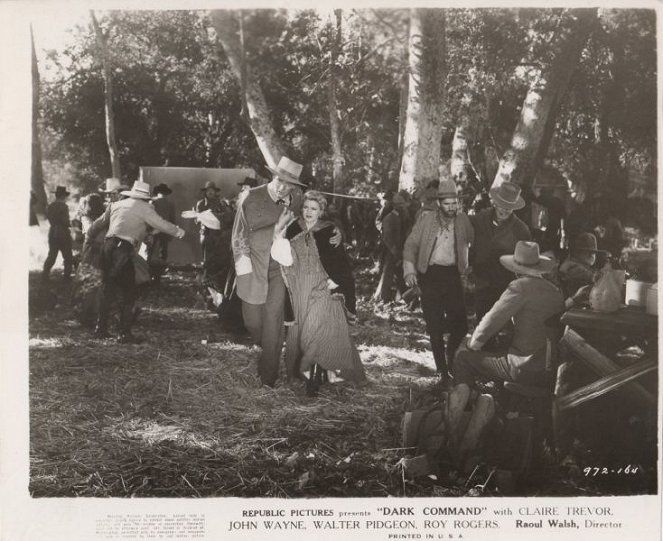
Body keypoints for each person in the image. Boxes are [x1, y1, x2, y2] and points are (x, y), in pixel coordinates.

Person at [231, 156, 340, 387]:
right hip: (252, 266)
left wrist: (337, 232)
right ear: (273, 176)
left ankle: (268, 377)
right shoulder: (252, 197)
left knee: (273, 319)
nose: (282, 186)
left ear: (294, 186)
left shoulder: (297, 200)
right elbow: (238, 236)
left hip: (281, 267)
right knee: (253, 322)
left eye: (288, 183)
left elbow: (314, 219)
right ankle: (267, 345)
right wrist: (244, 270)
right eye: (280, 180)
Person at [271, 191, 365, 395]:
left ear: (321, 211)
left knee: (314, 331)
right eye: (306, 207)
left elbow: (340, 262)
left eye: (314, 209)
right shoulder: (294, 227)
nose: (308, 212)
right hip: (298, 288)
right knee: (301, 332)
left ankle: (310, 374)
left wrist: (335, 281)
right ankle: (307, 373)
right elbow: (283, 254)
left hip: (322, 286)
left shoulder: (329, 230)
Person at [453, 241, 565, 388]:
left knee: (463, 357)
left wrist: (472, 344)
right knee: (501, 352)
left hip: (524, 366)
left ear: (516, 269)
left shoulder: (519, 286)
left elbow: (491, 321)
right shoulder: (555, 291)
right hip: (550, 369)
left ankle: (464, 406)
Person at [86, 181, 185, 343]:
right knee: (129, 290)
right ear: (145, 197)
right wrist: (179, 231)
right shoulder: (146, 208)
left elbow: (98, 224)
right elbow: (161, 224)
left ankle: (100, 329)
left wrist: (89, 236)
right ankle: (124, 333)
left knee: (107, 288)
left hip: (108, 247)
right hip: (123, 250)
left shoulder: (117, 205)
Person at [402, 179, 474, 381]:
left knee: (461, 326)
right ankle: (442, 371)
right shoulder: (426, 220)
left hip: (452, 275)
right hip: (429, 276)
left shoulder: (463, 221)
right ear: (439, 203)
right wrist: (409, 271)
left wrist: (467, 267)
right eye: (447, 204)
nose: (451, 208)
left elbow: (472, 241)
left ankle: (450, 358)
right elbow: (410, 245)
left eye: (454, 204)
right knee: (434, 327)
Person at [470, 181, 532, 324]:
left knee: (501, 321)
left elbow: (526, 261)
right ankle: (485, 345)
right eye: (501, 206)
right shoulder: (481, 218)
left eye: (509, 208)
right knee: (482, 318)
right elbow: (464, 227)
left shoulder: (521, 230)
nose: (504, 211)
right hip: (482, 280)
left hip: (505, 282)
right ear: (495, 203)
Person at [196, 181, 234, 290]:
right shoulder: (201, 203)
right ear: (205, 192)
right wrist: (200, 218)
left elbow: (227, 217)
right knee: (207, 257)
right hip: (206, 233)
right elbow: (197, 219)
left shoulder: (221, 203)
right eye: (208, 191)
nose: (210, 192)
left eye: (212, 190)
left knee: (218, 257)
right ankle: (206, 281)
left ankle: (216, 282)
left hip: (218, 234)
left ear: (215, 192)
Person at [373, 192, 410, 305]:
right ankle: (382, 298)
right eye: (402, 206)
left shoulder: (401, 217)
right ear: (397, 206)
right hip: (390, 251)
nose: (404, 208)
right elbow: (388, 238)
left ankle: (404, 297)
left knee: (399, 274)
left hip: (398, 250)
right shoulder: (390, 218)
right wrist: (395, 252)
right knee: (388, 274)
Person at [42, 186, 74, 282]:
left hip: (52, 232)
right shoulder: (64, 206)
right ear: (63, 196)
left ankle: (45, 275)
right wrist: (70, 223)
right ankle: (67, 277)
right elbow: (65, 221)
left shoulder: (50, 206)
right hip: (63, 233)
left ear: (56, 195)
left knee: (52, 255)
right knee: (67, 255)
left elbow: (49, 218)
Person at [147, 183, 176, 284]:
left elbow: (148, 217)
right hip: (163, 230)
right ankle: (157, 276)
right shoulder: (169, 204)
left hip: (154, 230)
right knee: (162, 253)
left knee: (151, 252)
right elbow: (172, 220)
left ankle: (151, 275)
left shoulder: (152, 202)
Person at [558, 232, 600, 298]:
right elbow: (597, 278)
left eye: (593, 252)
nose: (591, 255)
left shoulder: (575, 264)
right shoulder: (573, 267)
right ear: (576, 252)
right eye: (588, 252)